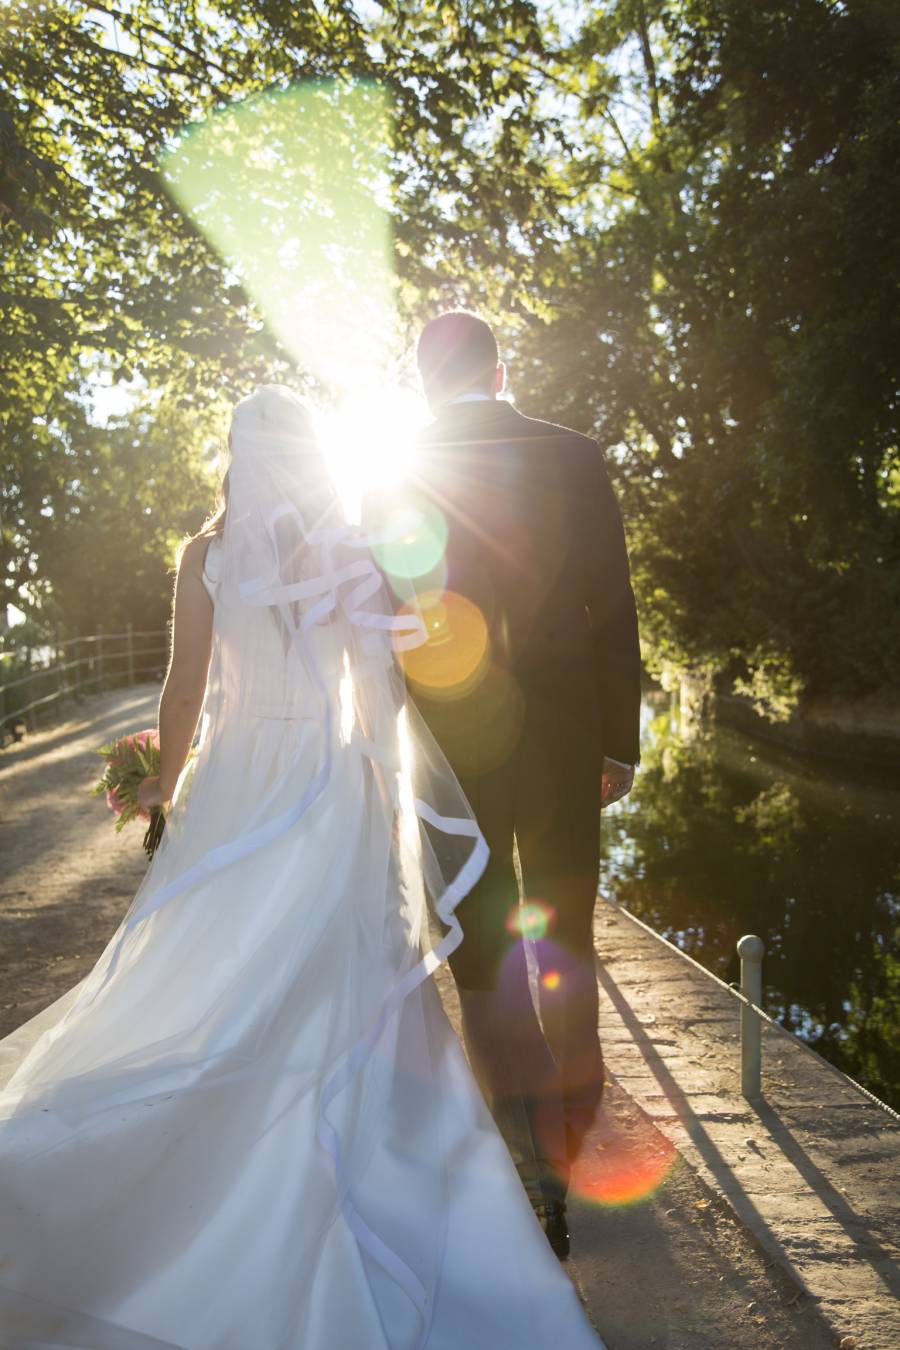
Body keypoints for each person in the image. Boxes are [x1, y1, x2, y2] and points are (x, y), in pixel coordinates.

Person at [0, 385, 605, 1349]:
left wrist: (160, 778)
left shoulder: (205, 558)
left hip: (243, 784)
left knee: (215, 971)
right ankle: (376, 1173)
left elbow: (185, 682)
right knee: (350, 985)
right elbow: (385, 690)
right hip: (334, 792)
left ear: (236, 455)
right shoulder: (354, 550)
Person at [367, 313, 641, 1260]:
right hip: (569, 743)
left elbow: (393, 616)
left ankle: (527, 1174)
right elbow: (615, 606)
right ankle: (567, 1142)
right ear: (501, 368)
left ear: (421, 381)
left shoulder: (398, 471)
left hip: (459, 744)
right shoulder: (573, 454)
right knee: (565, 930)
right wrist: (622, 744)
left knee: (482, 945)